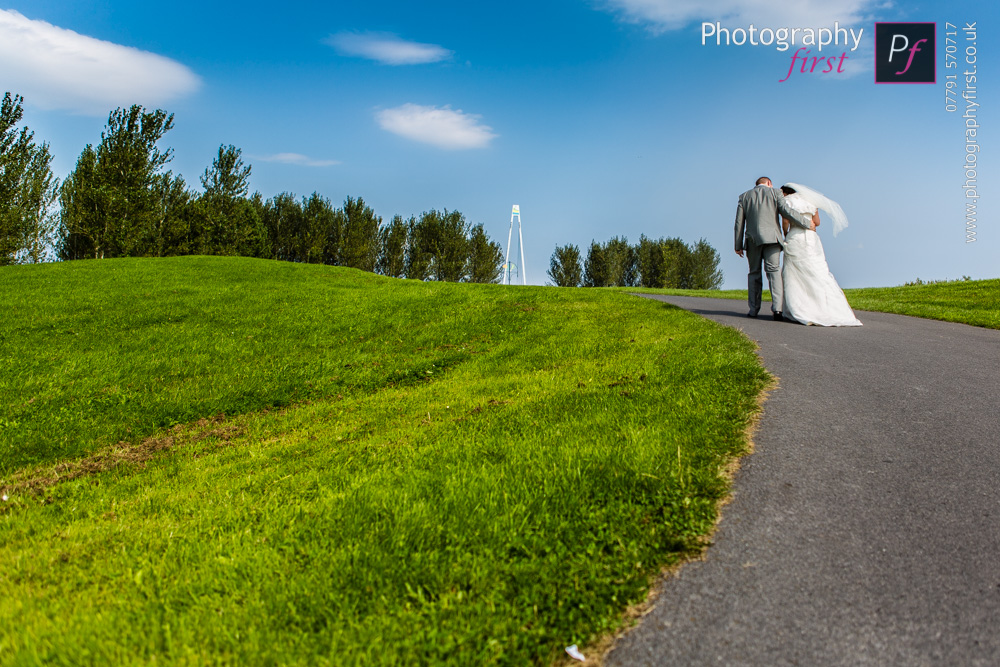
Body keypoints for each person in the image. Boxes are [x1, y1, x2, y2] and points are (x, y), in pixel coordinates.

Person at [778, 183, 862, 327]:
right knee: (818, 271)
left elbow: (785, 221)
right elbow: (817, 222)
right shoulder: (810, 201)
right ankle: (832, 309)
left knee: (794, 272)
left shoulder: (787, 201)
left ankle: (798, 309)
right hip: (811, 239)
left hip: (796, 236)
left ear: (785, 193)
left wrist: (786, 233)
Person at [734, 176, 814, 320]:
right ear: (769, 183)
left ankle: (753, 310)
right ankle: (777, 310)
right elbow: (786, 212)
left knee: (754, 274)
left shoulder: (744, 197)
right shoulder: (776, 193)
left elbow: (739, 222)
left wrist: (738, 245)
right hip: (772, 239)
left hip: (752, 240)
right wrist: (806, 223)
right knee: (774, 272)